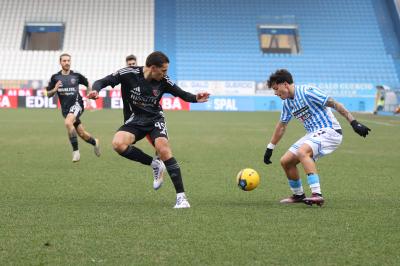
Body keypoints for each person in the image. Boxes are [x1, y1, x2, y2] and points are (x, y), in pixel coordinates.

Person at [88, 51, 210, 208]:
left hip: (155, 119)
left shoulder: (164, 81)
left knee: (163, 149)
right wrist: (96, 90)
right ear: (153, 68)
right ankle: (155, 164)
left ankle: (181, 198)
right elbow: (103, 81)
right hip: (135, 120)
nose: (166, 74)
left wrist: (195, 98)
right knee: (118, 144)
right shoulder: (128, 74)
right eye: (164, 70)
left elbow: (182, 94)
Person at [263, 69, 370, 206]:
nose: (275, 93)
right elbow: (282, 126)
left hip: (330, 131)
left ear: (285, 84)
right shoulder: (287, 103)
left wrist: (354, 122)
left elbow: (335, 104)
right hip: (313, 134)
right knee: (286, 161)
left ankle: (317, 194)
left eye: (276, 89)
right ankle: (298, 195)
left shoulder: (308, 91)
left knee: (302, 152)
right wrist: (270, 148)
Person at [46, 53, 100, 162]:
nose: (67, 63)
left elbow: (88, 83)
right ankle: (95, 142)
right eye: (64, 61)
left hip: (77, 105)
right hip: (66, 110)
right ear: (60, 62)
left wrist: (90, 94)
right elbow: (48, 94)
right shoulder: (55, 77)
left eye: (68, 61)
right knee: (82, 134)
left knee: (68, 123)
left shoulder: (76, 76)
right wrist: (55, 89)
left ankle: (76, 152)